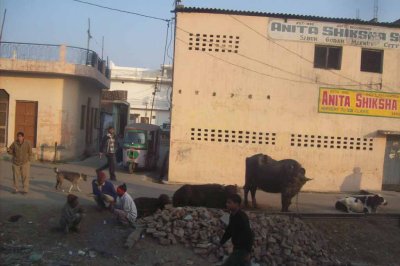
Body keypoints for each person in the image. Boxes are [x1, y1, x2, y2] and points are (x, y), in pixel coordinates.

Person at [220, 194, 254, 266]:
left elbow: (249, 234)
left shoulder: (241, 217)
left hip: (242, 250)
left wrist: (248, 252)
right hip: (237, 248)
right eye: (227, 202)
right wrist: (221, 242)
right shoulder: (232, 215)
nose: (227, 204)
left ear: (237, 204)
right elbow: (229, 231)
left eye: (229, 203)